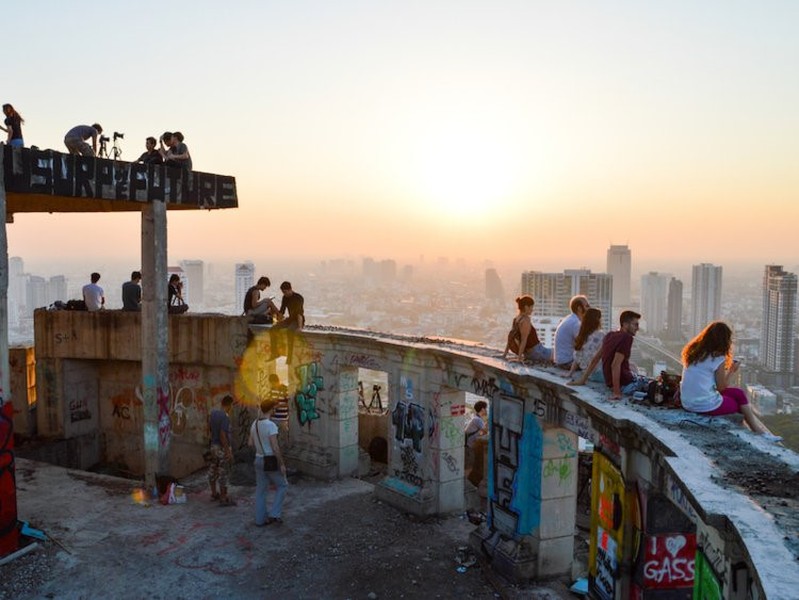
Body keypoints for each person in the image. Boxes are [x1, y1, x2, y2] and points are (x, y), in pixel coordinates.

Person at [680, 322, 781, 443]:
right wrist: (732, 371)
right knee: (737, 403)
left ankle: (754, 432)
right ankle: (758, 433)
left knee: (738, 393)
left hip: (686, 402)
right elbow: (722, 388)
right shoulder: (717, 358)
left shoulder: (693, 353)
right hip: (703, 405)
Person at [248, 399, 288, 525]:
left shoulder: (254, 424)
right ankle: (274, 513)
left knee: (260, 491)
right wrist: (281, 464)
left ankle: (260, 520)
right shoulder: (271, 425)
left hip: (258, 458)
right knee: (283, 485)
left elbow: (250, 443)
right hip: (270, 460)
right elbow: (275, 447)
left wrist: (261, 447)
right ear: (271, 409)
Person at [601, 310, 648, 399]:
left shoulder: (610, 335)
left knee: (635, 371)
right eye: (635, 324)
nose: (637, 328)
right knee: (656, 387)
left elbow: (597, 357)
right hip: (625, 386)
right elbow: (615, 365)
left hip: (610, 384)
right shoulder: (627, 337)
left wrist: (582, 380)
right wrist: (617, 393)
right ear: (625, 324)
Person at [502, 295, 552, 363]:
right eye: (531, 307)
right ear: (526, 307)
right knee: (560, 353)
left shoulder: (516, 319)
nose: (532, 309)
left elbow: (510, 338)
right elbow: (523, 340)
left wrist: (504, 354)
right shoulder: (525, 320)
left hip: (530, 354)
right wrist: (519, 359)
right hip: (538, 352)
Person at [208, 395, 236, 506]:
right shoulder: (225, 417)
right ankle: (223, 498)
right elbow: (223, 435)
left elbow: (209, 428)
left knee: (212, 469)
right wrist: (227, 451)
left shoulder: (213, 414)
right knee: (223, 472)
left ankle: (214, 493)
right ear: (229, 405)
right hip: (220, 447)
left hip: (213, 446)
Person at [568, 307, 606, 384]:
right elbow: (597, 359)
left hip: (587, 374)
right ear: (598, 321)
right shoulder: (601, 335)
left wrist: (570, 373)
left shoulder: (582, 336)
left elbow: (577, 358)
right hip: (599, 374)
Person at [269, 282, 305, 361]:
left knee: (290, 331)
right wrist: (278, 322)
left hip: (298, 320)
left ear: (290, 289)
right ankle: (275, 353)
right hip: (290, 319)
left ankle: (290, 356)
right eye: (283, 292)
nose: (284, 294)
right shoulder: (285, 298)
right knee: (273, 329)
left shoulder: (298, 298)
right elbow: (282, 311)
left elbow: (299, 313)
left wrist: (299, 327)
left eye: (285, 292)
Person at [553, 295, 589, 369]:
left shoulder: (570, 319)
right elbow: (583, 345)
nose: (589, 308)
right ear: (579, 308)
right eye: (587, 306)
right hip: (567, 362)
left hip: (561, 361)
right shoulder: (576, 323)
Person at [464, 401, 489, 487]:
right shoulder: (477, 420)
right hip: (470, 447)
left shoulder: (475, 418)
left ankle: (468, 485)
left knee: (471, 466)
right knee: (469, 467)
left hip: (470, 445)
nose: (486, 410)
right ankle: (466, 486)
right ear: (482, 409)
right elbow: (486, 431)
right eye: (485, 408)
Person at [269, 373, 290, 445]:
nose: (272, 385)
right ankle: (276, 450)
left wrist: (279, 406)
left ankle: (287, 449)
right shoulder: (272, 390)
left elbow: (289, 404)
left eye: (272, 383)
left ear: (276, 381)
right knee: (273, 437)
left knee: (285, 436)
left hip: (283, 419)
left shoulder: (285, 390)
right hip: (273, 418)